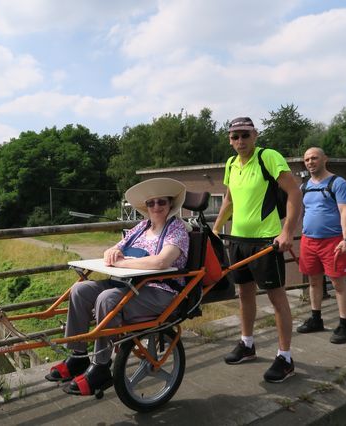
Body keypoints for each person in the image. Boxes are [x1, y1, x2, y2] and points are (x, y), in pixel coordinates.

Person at [45, 178, 189, 395]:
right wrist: (111, 253)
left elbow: (161, 262)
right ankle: (78, 356)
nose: (156, 207)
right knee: (79, 291)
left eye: (162, 202)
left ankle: (101, 366)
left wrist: (123, 262)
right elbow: (112, 250)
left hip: (160, 291)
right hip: (128, 283)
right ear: (146, 207)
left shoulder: (177, 230)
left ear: (170, 204)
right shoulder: (141, 228)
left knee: (107, 299)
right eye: (151, 203)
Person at [213, 117, 302, 383]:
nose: (240, 141)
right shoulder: (230, 164)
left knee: (277, 298)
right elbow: (229, 199)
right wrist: (216, 229)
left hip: (266, 240)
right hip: (238, 240)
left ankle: (285, 358)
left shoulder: (268, 157)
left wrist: (286, 231)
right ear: (230, 140)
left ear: (255, 135)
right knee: (244, 294)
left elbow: (295, 193)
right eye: (234, 136)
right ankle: (247, 344)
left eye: (245, 135)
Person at [297, 147, 346, 344]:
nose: (310, 162)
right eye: (306, 160)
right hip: (308, 240)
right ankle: (316, 318)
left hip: (333, 241)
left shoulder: (338, 183)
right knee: (314, 281)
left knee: (338, 283)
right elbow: (297, 211)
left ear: (324, 159)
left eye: (314, 158)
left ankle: (344, 325)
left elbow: (345, 211)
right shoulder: (304, 187)